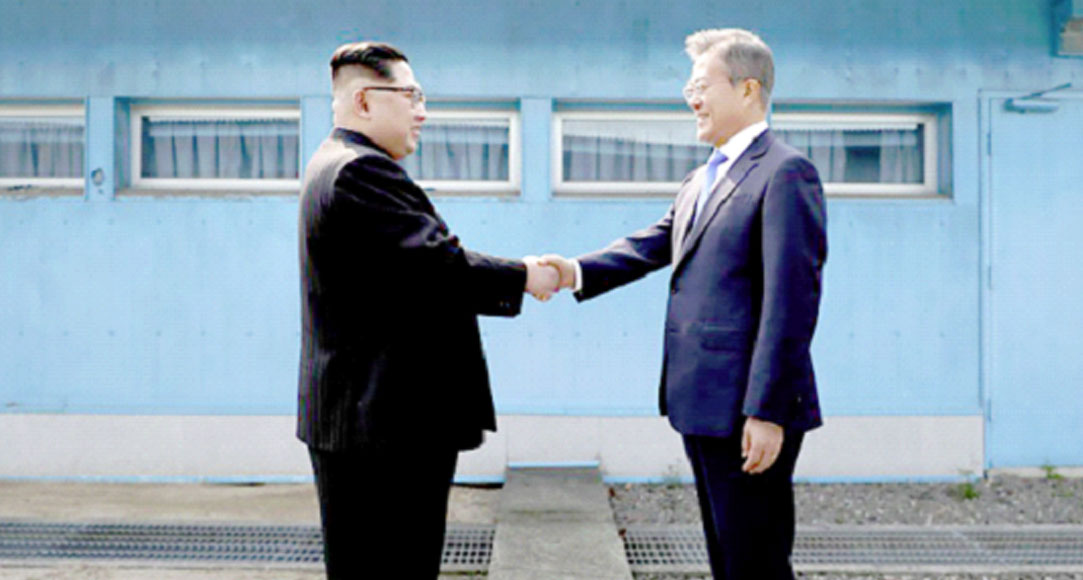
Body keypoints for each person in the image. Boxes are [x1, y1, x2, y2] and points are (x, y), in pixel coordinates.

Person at [541, 28, 827, 579]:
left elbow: (792, 301)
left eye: (701, 86)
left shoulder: (785, 172)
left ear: (747, 89)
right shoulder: (702, 177)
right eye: (688, 88)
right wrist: (572, 271)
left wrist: (767, 411)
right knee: (728, 556)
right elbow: (655, 243)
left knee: (756, 561)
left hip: (748, 407)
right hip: (703, 401)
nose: (691, 99)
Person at [297, 41, 558, 579]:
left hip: (365, 422)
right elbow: (438, 268)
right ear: (365, 101)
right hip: (385, 428)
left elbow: (411, 274)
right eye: (411, 95)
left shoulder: (334, 163)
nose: (422, 111)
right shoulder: (360, 172)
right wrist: (526, 275)